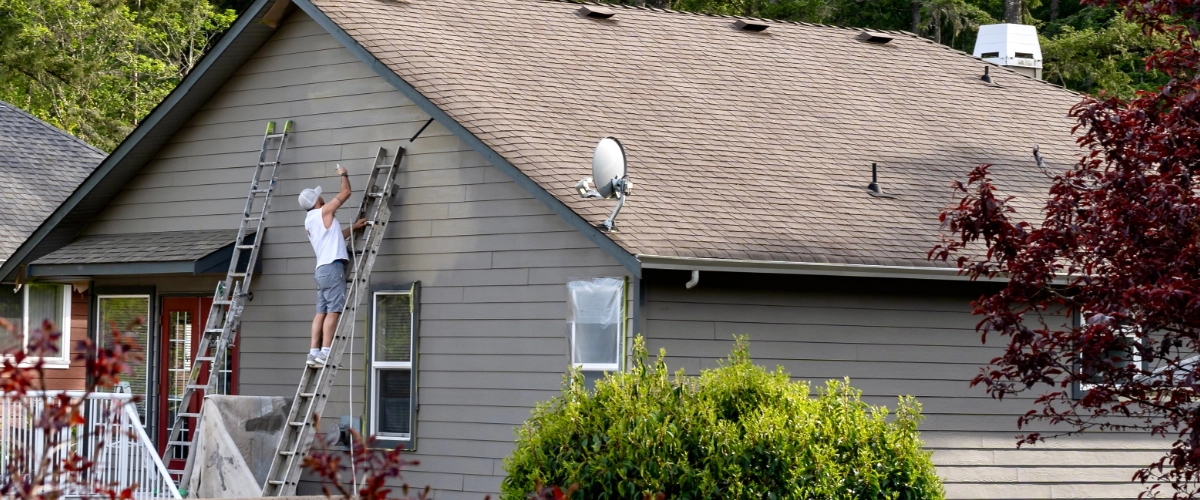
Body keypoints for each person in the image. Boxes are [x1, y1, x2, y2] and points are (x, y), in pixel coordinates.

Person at [298, 164, 366, 367]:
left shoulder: (310, 220)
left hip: (321, 270)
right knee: (334, 311)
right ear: (317, 201)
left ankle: (313, 352)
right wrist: (344, 174)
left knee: (321, 311)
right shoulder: (323, 212)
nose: (322, 197)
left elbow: (334, 236)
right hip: (332, 267)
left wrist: (353, 228)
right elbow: (346, 192)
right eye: (319, 196)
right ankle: (326, 352)